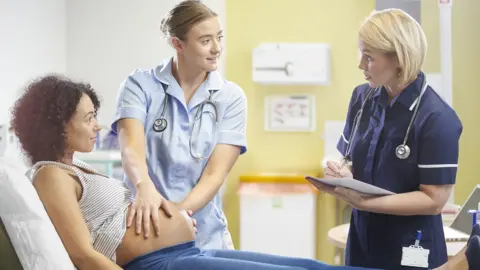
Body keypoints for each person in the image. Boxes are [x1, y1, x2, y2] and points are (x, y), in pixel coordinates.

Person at [11, 75, 388, 270]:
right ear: (59, 124)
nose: (98, 126)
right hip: (159, 264)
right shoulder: (50, 175)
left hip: (182, 252)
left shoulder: (75, 167)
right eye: (89, 117)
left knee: (308, 265)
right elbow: (81, 255)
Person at [319, 8, 463, 270]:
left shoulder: (437, 118)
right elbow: (350, 159)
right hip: (362, 240)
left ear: (399, 58)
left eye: (369, 57)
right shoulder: (362, 98)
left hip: (412, 248)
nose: (361, 65)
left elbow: (433, 200)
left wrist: (365, 202)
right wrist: (342, 172)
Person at [111, 0, 244, 250]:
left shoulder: (231, 97)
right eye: (205, 41)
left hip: (205, 236)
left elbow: (215, 175)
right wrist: (144, 185)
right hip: (145, 233)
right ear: (177, 44)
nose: (216, 48)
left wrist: (174, 219)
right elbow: (131, 150)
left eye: (219, 37)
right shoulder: (140, 85)